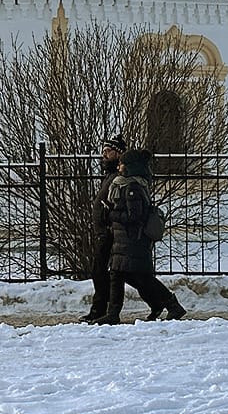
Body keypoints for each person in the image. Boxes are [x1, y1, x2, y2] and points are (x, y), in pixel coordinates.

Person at [102, 148, 187, 323]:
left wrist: (112, 214)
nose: (118, 167)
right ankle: (114, 313)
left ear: (131, 166)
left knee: (140, 277)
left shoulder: (132, 187)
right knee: (120, 275)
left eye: (122, 164)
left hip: (133, 239)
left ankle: (172, 305)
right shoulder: (124, 184)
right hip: (124, 239)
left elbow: (135, 216)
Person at [82, 135, 125, 323]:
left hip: (109, 232)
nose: (104, 155)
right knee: (103, 272)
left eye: (108, 151)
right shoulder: (110, 175)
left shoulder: (118, 177)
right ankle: (101, 309)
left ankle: (100, 310)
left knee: (100, 271)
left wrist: (108, 221)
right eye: (103, 151)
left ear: (118, 153)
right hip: (103, 231)